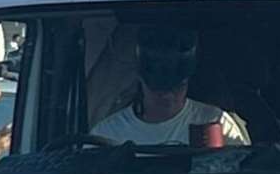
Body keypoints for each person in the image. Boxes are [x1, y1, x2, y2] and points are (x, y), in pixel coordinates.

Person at [90, 26, 248, 146]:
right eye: (157, 88)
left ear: (187, 80)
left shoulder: (216, 124)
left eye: (175, 87)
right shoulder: (108, 135)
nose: (167, 95)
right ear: (140, 79)